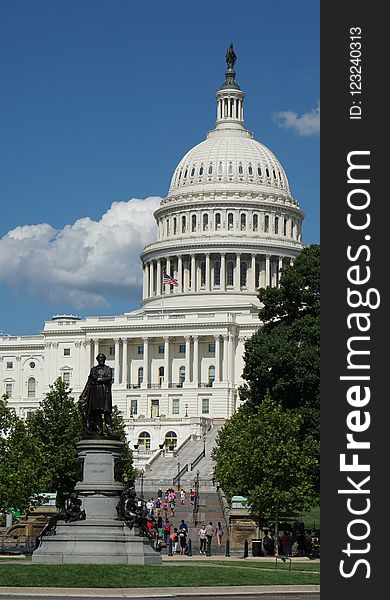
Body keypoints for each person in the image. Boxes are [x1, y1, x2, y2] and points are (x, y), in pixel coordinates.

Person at [79, 353, 114, 436]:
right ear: (97, 360)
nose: (101, 360)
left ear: (104, 359)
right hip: (95, 393)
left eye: (102, 358)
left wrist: (98, 379)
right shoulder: (93, 369)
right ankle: (99, 430)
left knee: (106, 413)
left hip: (105, 392)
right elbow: (89, 382)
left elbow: (109, 379)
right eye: (99, 358)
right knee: (96, 412)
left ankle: (110, 430)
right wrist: (84, 394)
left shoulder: (108, 369)